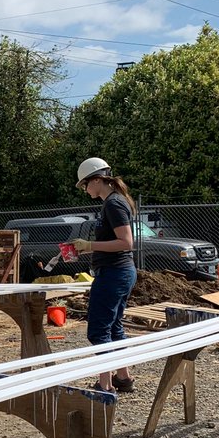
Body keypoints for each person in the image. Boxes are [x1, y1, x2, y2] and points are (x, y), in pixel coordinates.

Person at [73, 157, 137, 393]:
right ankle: (123, 378)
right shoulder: (114, 202)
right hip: (119, 272)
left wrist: (90, 245)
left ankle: (105, 385)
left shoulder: (113, 204)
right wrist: (86, 248)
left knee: (99, 330)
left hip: (114, 274)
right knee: (114, 326)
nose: (85, 190)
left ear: (97, 180)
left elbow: (126, 242)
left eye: (85, 184)